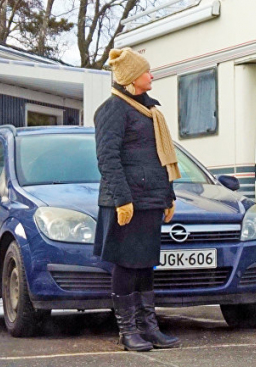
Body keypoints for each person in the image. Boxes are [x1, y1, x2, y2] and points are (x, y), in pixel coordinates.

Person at [93, 47, 181, 352]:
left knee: (145, 266)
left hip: (150, 200)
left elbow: (159, 160)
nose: (152, 75)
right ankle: (127, 330)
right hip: (127, 202)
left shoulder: (150, 111)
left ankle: (149, 328)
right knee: (127, 266)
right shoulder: (112, 110)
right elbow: (108, 158)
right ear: (132, 77)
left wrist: (167, 196)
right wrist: (122, 200)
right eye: (147, 71)